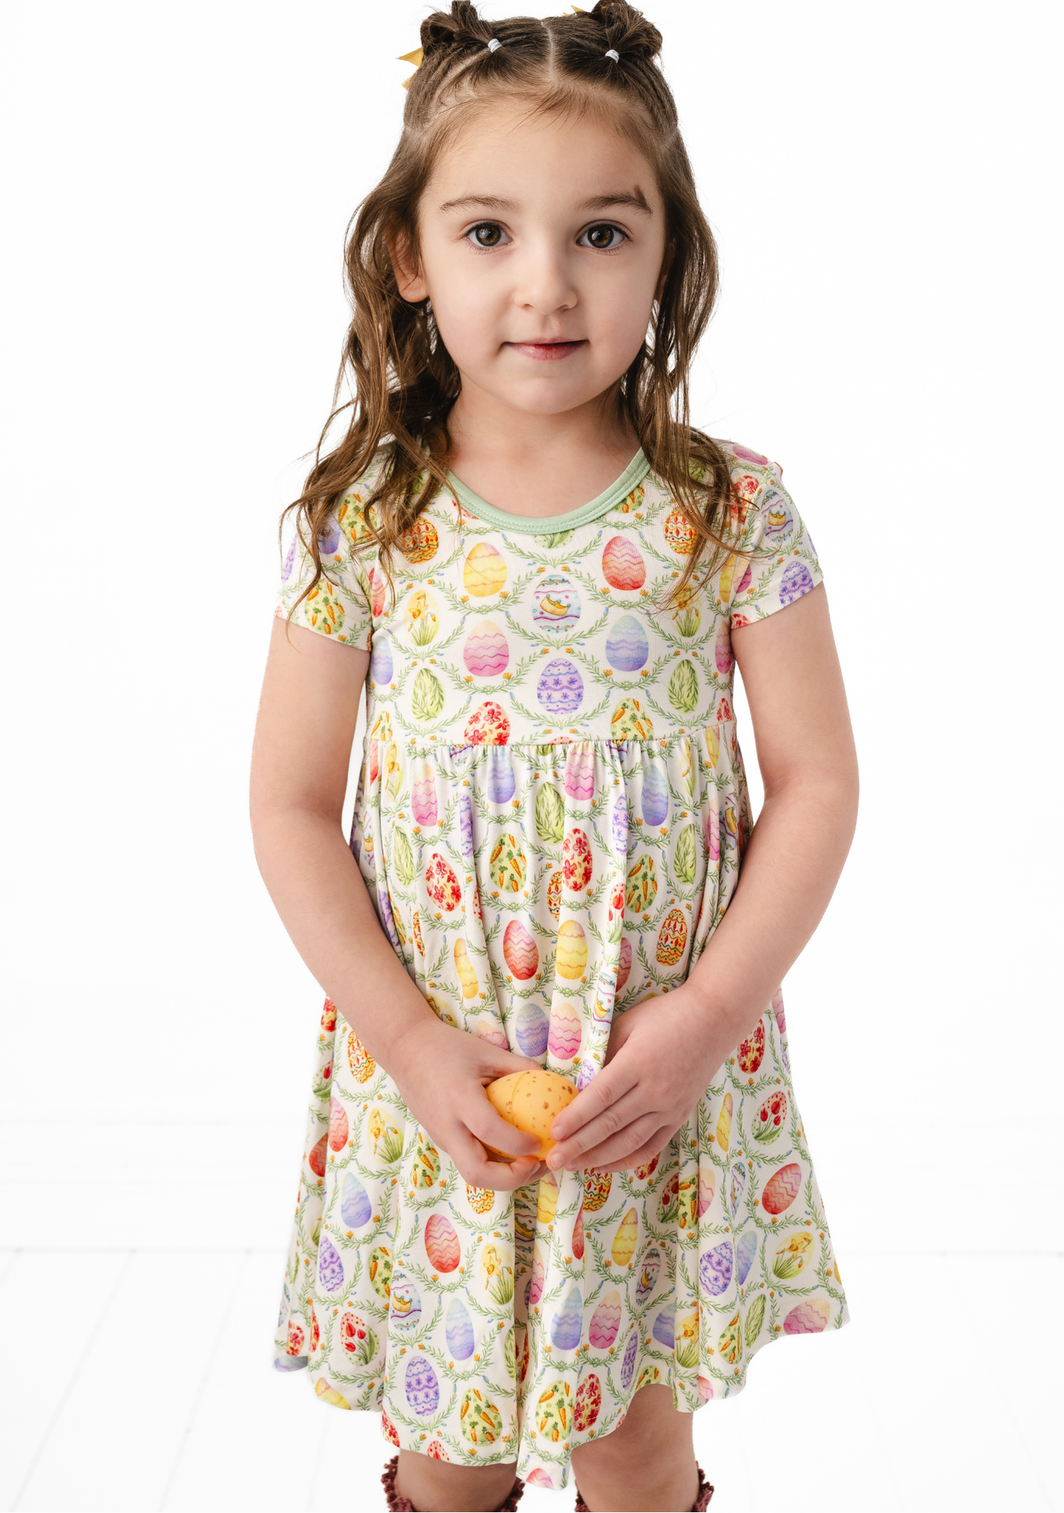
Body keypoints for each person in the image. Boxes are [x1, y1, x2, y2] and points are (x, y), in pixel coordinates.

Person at [249, 3, 859, 1509]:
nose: (546, 284)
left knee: (636, 1446)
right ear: (410, 258)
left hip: (654, 1086)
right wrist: (410, 1043)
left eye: (600, 232)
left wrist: (708, 1013)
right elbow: (291, 806)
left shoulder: (730, 512)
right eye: (487, 232)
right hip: (442, 1080)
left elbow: (818, 783)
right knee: (450, 1454)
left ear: (667, 256)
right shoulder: (365, 521)